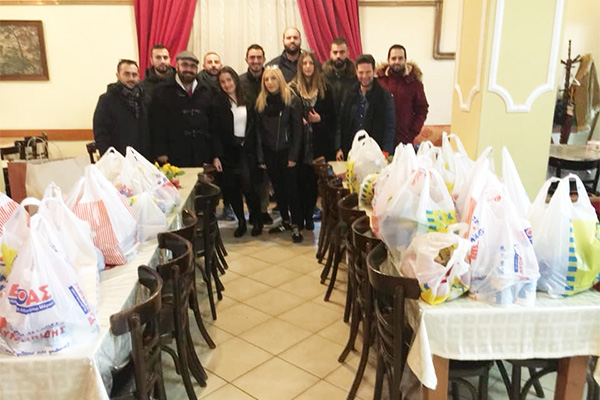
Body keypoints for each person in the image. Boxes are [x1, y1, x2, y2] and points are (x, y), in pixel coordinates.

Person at [212, 67, 263, 237]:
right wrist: (216, 156)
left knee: (250, 187)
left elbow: (256, 126)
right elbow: (215, 132)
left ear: (235, 79)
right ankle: (241, 221)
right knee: (233, 188)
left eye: (229, 80)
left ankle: (256, 219)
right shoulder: (217, 103)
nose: (227, 84)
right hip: (229, 151)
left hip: (248, 150)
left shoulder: (248, 98)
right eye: (222, 82)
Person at [255, 67, 304, 243]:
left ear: (280, 79)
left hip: (287, 151)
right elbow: (259, 133)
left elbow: (298, 130)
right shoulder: (261, 102)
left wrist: (293, 156)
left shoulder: (291, 100)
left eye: (273, 78)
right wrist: (261, 157)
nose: (270, 83)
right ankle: (285, 220)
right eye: (266, 79)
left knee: (292, 190)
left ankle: (296, 224)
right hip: (270, 153)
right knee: (278, 190)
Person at [290, 52, 335, 230]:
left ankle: (309, 216)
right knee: (299, 182)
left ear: (316, 66)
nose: (308, 67)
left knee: (313, 184)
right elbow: (287, 115)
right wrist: (297, 121)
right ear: (300, 67)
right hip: (299, 145)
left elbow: (333, 115)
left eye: (311, 63)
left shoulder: (325, 88)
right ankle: (298, 219)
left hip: (318, 144)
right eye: (304, 63)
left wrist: (320, 119)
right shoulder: (292, 88)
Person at [150, 51, 217, 167]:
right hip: (174, 152)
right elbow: (156, 123)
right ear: (177, 66)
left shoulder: (207, 90)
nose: (189, 69)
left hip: (202, 152)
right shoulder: (162, 90)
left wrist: (214, 153)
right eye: (185, 65)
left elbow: (214, 123)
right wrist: (160, 151)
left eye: (192, 66)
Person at [335, 54, 395, 160]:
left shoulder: (384, 96)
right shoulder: (349, 94)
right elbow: (340, 122)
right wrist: (338, 148)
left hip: (375, 153)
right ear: (356, 72)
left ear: (374, 71)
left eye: (368, 72)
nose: (364, 76)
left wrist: (386, 152)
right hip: (351, 151)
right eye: (361, 72)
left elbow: (389, 127)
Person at [240, 44, 274, 225]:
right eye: (252, 57)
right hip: (246, 136)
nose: (255, 61)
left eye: (259, 57)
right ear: (246, 59)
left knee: (265, 176)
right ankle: (253, 211)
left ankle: (264, 209)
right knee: (248, 178)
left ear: (264, 59)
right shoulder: (239, 82)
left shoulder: (270, 79)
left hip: (267, 134)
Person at [93, 59, 149, 157]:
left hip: (143, 157)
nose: (131, 78)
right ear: (118, 75)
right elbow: (101, 133)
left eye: (134, 75)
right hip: (118, 157)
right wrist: (109, 157)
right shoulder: (107, 100)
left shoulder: (145, 98)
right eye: (126, 74)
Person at [377, 44, 429, 146]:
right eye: (393, 58)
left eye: (400, 58)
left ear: (405, 60)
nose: (397, 61)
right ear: (388, 60)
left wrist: (412, 132)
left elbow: (422, 109)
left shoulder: (414, 83)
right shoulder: (379, 81)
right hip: (382, 139)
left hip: (405, 139)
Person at [139, 44, 175, 109]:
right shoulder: (142, 87)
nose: (162, 61)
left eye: (165, 57)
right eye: (158, 58)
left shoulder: (179, 82)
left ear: (170, 59)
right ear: (151, 60)